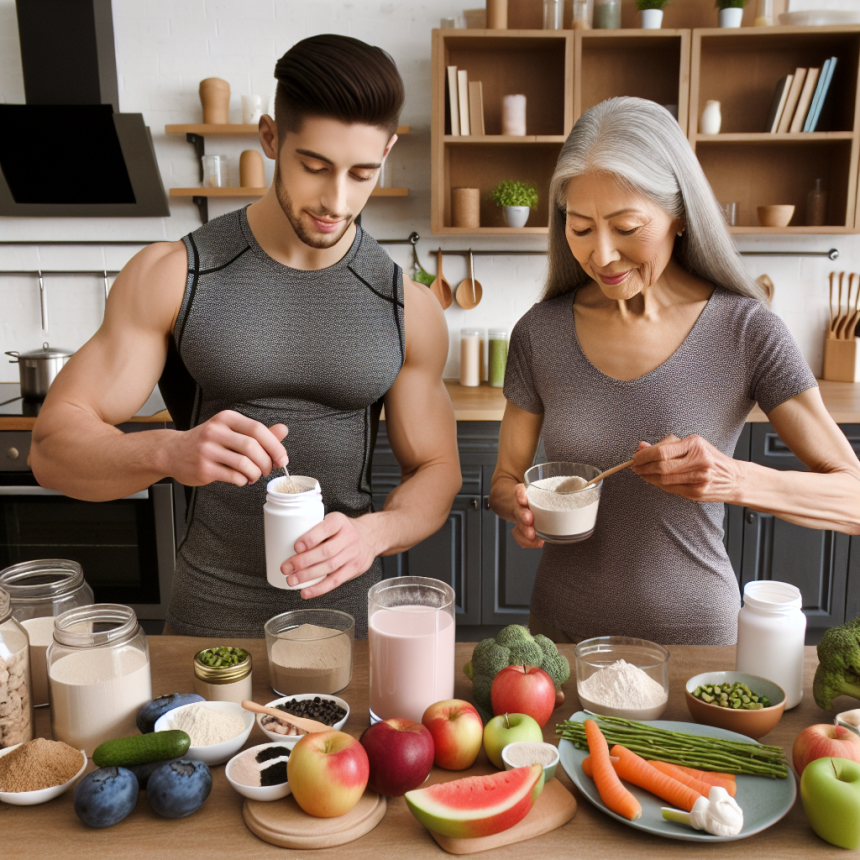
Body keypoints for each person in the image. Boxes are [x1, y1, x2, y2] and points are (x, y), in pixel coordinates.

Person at [31, 35, 461, 638]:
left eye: (363, 173)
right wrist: (167, 453)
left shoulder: (405, 305)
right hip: (210, 625)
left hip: (350, 630)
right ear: (270, 139)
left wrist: (376, 533)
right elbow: (51, 450)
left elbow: (439, 470)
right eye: (314, 166)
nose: (337, 201)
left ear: (388, 151)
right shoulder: (175, 274)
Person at [489, 97, 860, 646]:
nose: (603, 255)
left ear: (679, 213)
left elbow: (852, 499)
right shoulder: (539, 333)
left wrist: (733, 479)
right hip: (559, 641)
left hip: (696, 645)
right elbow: (503, 480)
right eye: (581, 228)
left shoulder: (746, 330)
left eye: (627, 226)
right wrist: (517, 506)